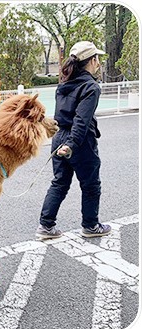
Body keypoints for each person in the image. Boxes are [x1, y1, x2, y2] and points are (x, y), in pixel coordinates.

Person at [36, 41, 111, 239]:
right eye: (97, 59)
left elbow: (64, 117)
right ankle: (91, 225)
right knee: (91, 185)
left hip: (59, 136)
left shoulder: (63, 84)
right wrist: (71, 145)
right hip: (80, 142)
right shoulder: (91, 87)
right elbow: (81, 120)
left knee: (59, 183)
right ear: (92, 61)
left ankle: (46, 226)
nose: (98, 63)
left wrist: (65, 143)